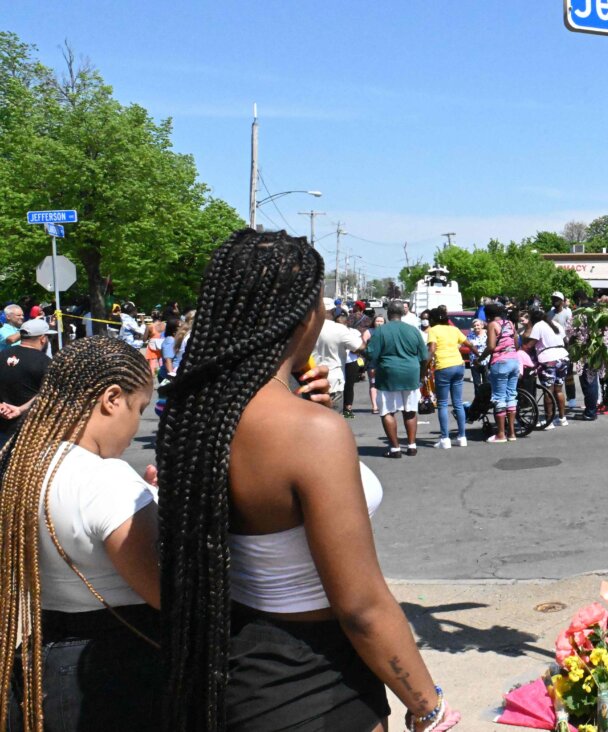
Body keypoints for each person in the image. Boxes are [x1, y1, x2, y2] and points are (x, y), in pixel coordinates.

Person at [155, 230, 457, 732]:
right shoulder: (310, 433)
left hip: (234, 661)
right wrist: (428, 705)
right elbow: (361, 606)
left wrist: (303, 404)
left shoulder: (195, 414)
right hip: (317, 683)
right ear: (304, 315)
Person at [0, 337, 164, 732]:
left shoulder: (22, 464)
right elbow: (165, 592)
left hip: (43, 660)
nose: (134, 428)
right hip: (114, 669)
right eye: (139, 409)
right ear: (111, 399)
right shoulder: (105, 479)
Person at [369, 303, 431, 456]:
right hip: (411, 373)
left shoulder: (381, 331)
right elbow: (425, 357)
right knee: (410, 410)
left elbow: (371, 354)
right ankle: (411, 445)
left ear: (388, 313)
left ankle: (395, 448)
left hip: (387, 374)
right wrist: (421, 375)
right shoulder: (413, 330)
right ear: (402, 313)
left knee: (387, 411)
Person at [0, 319, 54, 444]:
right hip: (30, 430)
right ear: (42, 339)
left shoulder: (3, 354)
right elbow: (48, 392)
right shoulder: (45, 362)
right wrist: (20, 409)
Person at [426, 306, 469, 448]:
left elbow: (432, 350)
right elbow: (469, 344)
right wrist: (479, 357)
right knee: (458, 402)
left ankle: (445, 439)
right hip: (459, 365)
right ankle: (462, 437)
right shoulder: (454, 329)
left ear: (432, 319)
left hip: (443, 366)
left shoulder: (433, 330)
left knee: (443, 403)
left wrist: (424, 367)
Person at [313, 303, 365, 413]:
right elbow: (359, 347)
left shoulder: (309, 327)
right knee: (333, 418)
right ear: (332, 312)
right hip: (333, 381)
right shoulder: (339, 329)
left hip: (312, 379)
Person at [527, 307, 570, 430]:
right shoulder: (555, 324)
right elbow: (565, 340)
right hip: (563, 357)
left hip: (548, 359)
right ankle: (562, 418)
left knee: (548, 391)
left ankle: (548, 421)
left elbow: (531, 344)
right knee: (559, 390)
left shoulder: (538, 326)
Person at [484, 302, 522, 443]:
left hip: (500, 362)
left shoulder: (492, 325)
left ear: (489, 315)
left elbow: (491, 347)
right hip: (514, 361)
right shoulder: (510, 323)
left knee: (499, 397)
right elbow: (517, 343)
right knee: (511, 395)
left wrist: (480, 358)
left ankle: (501, 434)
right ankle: (512, 433)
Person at [336, 313, 364, 419]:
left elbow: (360, 347)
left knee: (349, 385)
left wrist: (354, 350)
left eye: (342, 323)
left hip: (350, 361)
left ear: (346, 323)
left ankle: (348, 408)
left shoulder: (353, 332)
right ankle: (336, 408)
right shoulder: (333, 332)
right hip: (337, 361)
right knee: (337, 385)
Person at [366, 314, 386, 414]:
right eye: (377, 321)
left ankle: (385, 404)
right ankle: (375, 406)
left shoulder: (388, 332)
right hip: (373, 362)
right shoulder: (369, 332)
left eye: (381, 321)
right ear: (373, 322)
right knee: (373, 383)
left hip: (385, 361)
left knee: (385, 383)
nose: (379, 323)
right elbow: (363, 345)